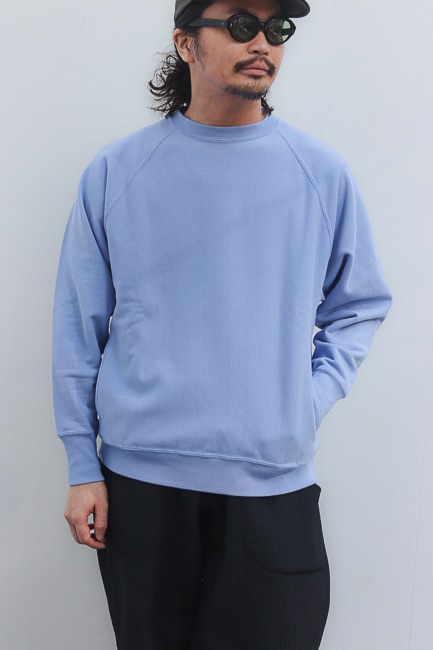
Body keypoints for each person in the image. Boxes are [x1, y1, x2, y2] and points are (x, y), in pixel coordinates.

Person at [52, 0, 392, 648]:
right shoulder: (117, 172)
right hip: (142, 489)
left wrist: (304, 401)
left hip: (273, 492)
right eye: (240, 25)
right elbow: (77, 326)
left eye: (277, 28)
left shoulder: (319, 173)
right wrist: (80, 466)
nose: (262, 42)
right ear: (185, 43)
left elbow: (359, 305)